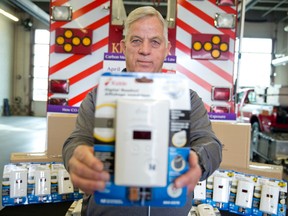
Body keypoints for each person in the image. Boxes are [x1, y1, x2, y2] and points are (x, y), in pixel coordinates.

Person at [63, 6, 222, 216]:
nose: (145, 50)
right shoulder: (99, 96)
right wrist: (76, 157)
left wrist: (198, 160)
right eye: (136, 40)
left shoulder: (187, 99)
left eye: (155, 42)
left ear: (167, 48)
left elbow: (210, 143)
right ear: (123, 46)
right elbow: (76, 141)